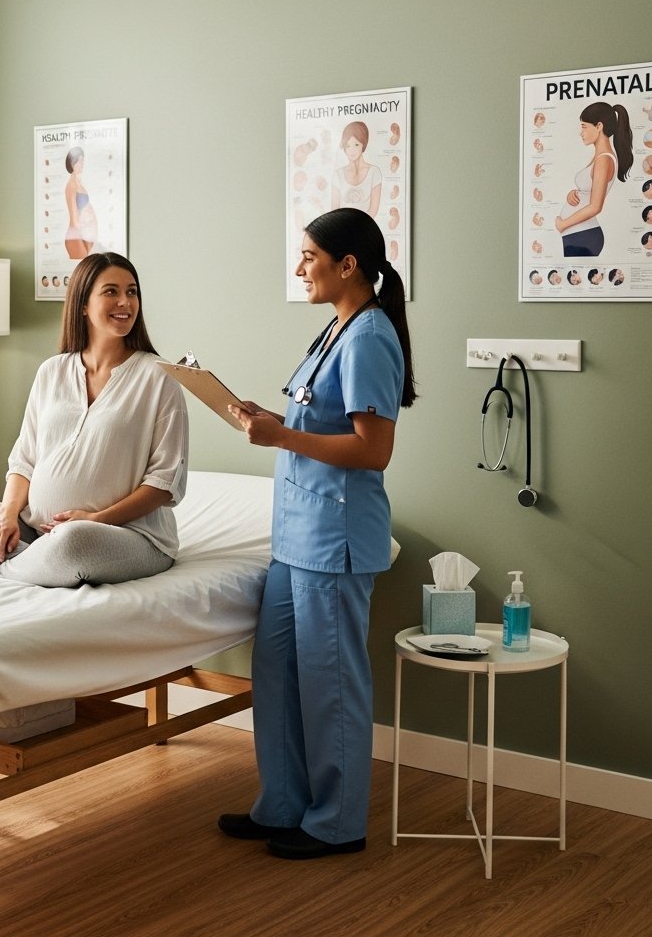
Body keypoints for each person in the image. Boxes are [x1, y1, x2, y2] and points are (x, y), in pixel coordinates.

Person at [218, 208, 416, 860]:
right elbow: (318, 421)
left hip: (334, 539)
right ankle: (282, 804)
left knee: (331, 684)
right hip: (294, 536)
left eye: (309, 256)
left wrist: (280, 435)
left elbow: (373, 450)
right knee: (277, 674)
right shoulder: (335, 330)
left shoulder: (369, 337)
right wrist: (269, 419)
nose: (300, 267)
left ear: (347, 265)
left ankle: (336, 823)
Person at [0, 252, 189, 588]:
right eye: (111, 291)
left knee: (73, 542)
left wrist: (96, 519)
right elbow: (25, 460)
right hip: (37, 529)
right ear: (83, 304)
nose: (125, 302)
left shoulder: (159, 377)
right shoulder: (52, 371)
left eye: (132, 292)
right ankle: (39, 562)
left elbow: (164, 482)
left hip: (124, 535)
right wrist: (6, 514)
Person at [555, 102, 634, 257]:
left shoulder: (604, 160)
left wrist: (563, 224)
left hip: (583, 235)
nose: (581, 133)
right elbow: (590, 191)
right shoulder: (600, 157)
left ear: (599, 126)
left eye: (584, 127)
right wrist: (574, 194)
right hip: (579, 234)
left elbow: (596, 206)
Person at [330, 121, 382, 217]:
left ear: (363, 144)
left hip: (366, 225)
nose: (352, 150)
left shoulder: (374, 172)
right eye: (348, 146)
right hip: (341, 225)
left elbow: (373, 211)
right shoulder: (338, 174)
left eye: (356, 144)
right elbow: (334, 211)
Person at [63, 147, 99, 259]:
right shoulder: (71, 185)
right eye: (79, 161)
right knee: (82, 269)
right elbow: (74, 218)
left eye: (83, 161)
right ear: (72, 163)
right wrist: (82, 234)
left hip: (86, 234)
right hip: (77, 235)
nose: (82, 164)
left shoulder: (79, 183)